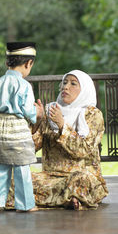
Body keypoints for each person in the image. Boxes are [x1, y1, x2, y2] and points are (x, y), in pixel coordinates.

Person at [31, 69, 108, 210]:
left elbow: (83, 150)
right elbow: (31, 149)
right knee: (19, 180)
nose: (66, 87)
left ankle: (65, 197)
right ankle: (69, 199)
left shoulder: (92, 114)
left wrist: (62, 126)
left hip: (81, 176)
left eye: (73, 84)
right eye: (64, 83)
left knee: (81, 181)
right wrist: (37, 122)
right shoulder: (51, 111)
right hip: (51, 177)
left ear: (84, 90)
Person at [0, 42, 43, 213]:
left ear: (6, 63)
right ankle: (25, 205)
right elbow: (27, 110)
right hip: (16, 130)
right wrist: (36, 113)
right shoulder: (24, 85)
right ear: (28, 64)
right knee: (22, 168)